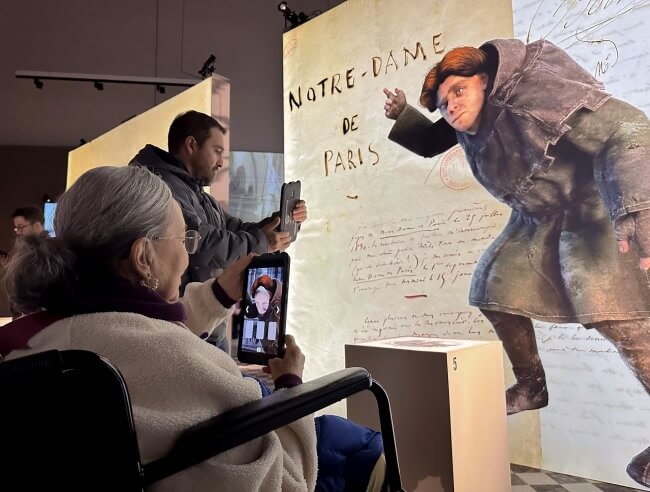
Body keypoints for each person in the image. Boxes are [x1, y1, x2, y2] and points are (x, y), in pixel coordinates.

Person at [1, 166, 383, 491]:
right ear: (143, 256)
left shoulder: (35, 344)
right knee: (351, 441)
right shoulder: (179, 362)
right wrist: (290, 387)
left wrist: (217, 294)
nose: (187, 253)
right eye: (184, 238)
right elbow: (287, 483)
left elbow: (131, 333)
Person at [383, 38, 650, 487]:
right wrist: (405, 114)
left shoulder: (530, 98)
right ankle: (532, 385)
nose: (450, 108)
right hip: (537, 217)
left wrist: (635, 204)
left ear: (485, 81)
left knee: (620, 321)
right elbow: (432, 140)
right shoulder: (472, 116)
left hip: (591, 210)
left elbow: (627, 128)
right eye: (444, 103)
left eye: (458, 93)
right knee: (493, 288)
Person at [129, 111, 307, 352]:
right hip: (186, 324)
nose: (222, 162)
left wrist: (278, 221)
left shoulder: (196, 193)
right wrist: (262, 242)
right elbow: (201, 243)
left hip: (209, 322)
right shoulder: (163, 188)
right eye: (217, 151)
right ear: (191, 145)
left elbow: (235, 228)